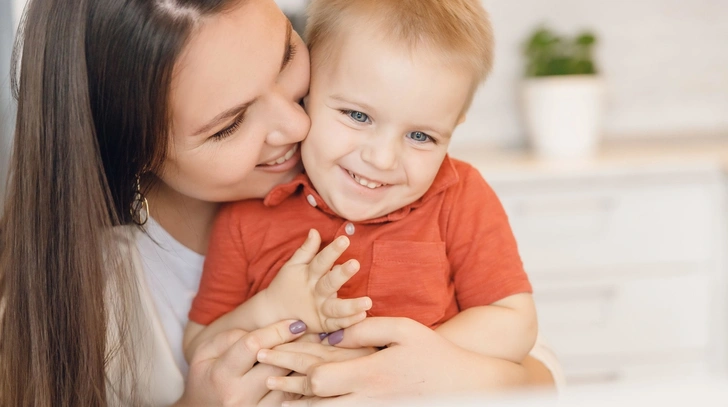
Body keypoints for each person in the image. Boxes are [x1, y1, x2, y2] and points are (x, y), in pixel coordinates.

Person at [0, 0, 562, 405]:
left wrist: (421, 369)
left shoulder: (417, 192)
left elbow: (538, 371)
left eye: (288, 58)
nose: (297, 122)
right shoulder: (77, 297)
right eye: (231, 125)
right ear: (136, 148)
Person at [183, 0, 538, 374]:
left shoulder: (459, 195)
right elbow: (199, 350)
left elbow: (514, 323)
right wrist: (271, 307)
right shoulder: (247, 214)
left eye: (420, 135)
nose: (382, 160)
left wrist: (385, 363)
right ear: (308, 92)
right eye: (358, 116)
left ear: (454, 125)